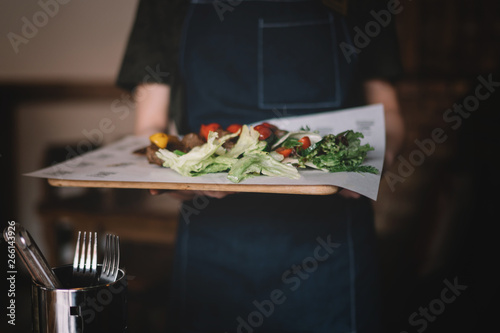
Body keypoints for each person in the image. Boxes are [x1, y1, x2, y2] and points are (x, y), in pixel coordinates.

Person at [117, 0, 405, 332]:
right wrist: (175, 176)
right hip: (211, 248)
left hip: (330, 248)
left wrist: (373, 159)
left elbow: (389, 112)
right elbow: (149, 125)